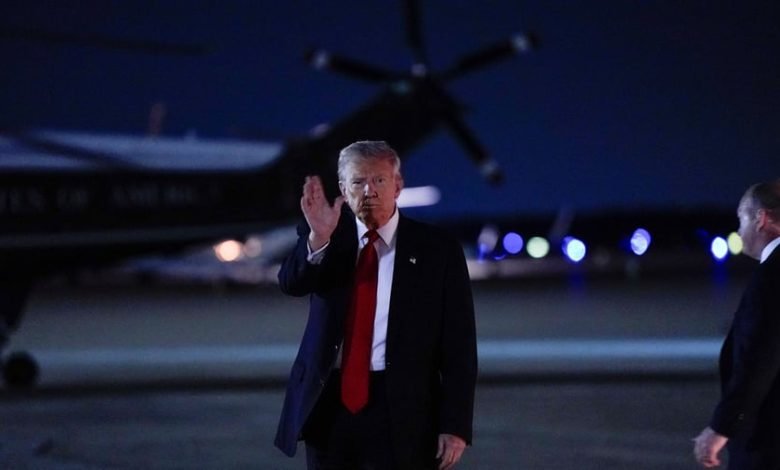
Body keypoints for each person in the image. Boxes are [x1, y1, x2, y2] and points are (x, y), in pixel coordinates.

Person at [274, 141, 477, 469]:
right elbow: (291, 283)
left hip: (403, 407)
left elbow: (459, 345)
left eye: (379, 180)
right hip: (331, 405)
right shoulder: (327, 235)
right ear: (343, 189)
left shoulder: (437, 249)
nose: (369, 190)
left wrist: (455, 425)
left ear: (398, 185)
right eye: (358, 182)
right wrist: (318, 239)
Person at [693, 180, 780, 469]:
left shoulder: (772, 277)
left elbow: (760, 359)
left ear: (761, 219)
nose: (739, 230)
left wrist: (722, 427)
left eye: (741, 219)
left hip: (769, 441)